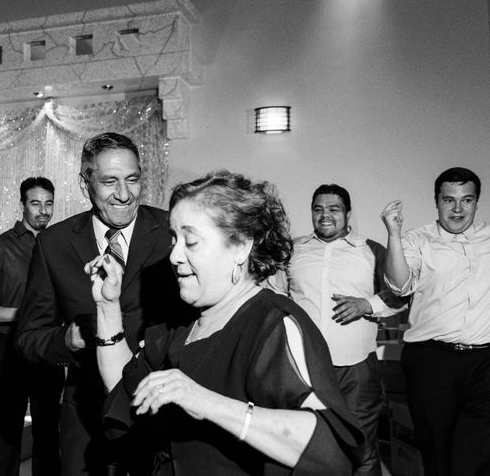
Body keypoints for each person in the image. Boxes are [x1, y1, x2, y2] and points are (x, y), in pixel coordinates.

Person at [86, 170, 364, 475]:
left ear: (241, 247)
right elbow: (125, 393)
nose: (175, 255)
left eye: (190, 242)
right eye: (174, 240)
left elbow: (330, 450)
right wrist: (107, 306)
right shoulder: (177, 325)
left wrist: (206, 402)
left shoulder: (274, 325)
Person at [15, 132, 187, 475]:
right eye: (110, 181)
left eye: (132, 179)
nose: (124, 194)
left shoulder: (173, 231)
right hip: (86, 414)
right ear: (85, 184)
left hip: (162, 407)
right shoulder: (54, 244)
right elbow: (28, 337)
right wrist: (67, 339)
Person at [266, 184, 406, 476]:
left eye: (334, 208)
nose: (325, 215)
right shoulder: (292, 250)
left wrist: (365, 304)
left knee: (362, 449)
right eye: (318, 209)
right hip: (304, 369)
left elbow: (400, 295)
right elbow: (276, 297)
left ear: (348, 213)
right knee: (309, 447)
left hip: (356, 370)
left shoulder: (370, 249)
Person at [381, 167, 490, 476]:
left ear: (476, 203)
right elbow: (399, 287)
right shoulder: (418, 239)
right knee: (437, 455)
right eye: (449, 200)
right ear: (437, 202)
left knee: (476, 454)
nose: (458, 209)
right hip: (431, 360)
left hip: (483, 361)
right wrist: (393, 235)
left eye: (466, 200)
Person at [0, 177, 64, 476]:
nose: (43, 211)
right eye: (36, 203)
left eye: (48, 203)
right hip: (8, 351)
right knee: (6, 434)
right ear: (22, 204)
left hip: (48, 350)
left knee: (49, 433)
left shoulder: (59, 245)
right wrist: (25, 315)